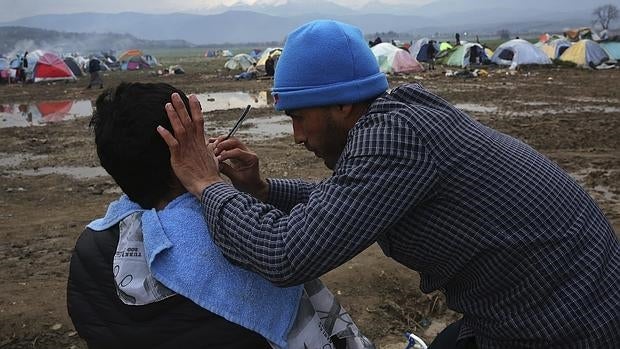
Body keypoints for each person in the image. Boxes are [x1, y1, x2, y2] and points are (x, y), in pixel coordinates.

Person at [158, 20, 620, 349]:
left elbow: (285, 255)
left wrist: (205, 183)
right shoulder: (401, 118)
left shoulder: (395, 138)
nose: (297, 137)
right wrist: (262, 190)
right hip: (546, 307)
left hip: (563, 327)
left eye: (300, 117)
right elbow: (352, 206)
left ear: (342, 105)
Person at [68, 82, 373, 349]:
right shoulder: (239, 241)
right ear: (181, 159)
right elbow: (285, 248)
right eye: (197, 136)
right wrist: (208, 182)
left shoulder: (91, 248)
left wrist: (261, 188)